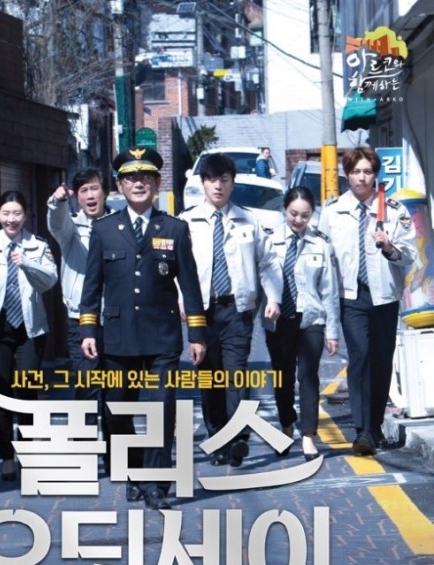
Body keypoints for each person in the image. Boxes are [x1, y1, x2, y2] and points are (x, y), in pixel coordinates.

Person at [80, 146, 206, 509]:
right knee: (116, 411)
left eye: (146, 178)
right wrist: (88, 329)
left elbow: (190, 286)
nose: (139, 184)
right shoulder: (104, 230)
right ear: (120, 186)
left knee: (161, 410)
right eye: (131, 178)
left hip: (162, 337)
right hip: (117, 339)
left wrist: (197, 334)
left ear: (157, 183)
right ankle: (133, 472)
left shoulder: (174, 228)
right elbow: (92, 286)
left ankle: (156, 485)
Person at [179, 152, 282, 466]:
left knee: (236, 373)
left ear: (232, 183)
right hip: (201, 312)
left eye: (224, 180)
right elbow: (176, 268)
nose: (218, 186)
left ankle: (237, 438)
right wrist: (180, 298)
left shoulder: (249, 220)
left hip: (237, 309)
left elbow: (268, 263)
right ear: (203, 183)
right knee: (209, 378)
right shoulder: (186, 222)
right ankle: (218, 439)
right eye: (212, 180)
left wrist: (273, 298)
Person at [318, 147, 418, 455]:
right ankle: (362, 431)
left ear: (375, 175)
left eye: (367, 172)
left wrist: (388, 247)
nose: (361, 178)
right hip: (351, 295)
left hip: (384, 296)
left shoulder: (394, 210)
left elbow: (410, 255)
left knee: (381, 360)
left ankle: (374, 427)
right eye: (355, 172)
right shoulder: (333, 211)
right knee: (359, 356)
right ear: (347, 175)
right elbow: (320, 253)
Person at [0, 190, 58, 480]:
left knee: (27, 390)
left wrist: (26, 263)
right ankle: (6, 456)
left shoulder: (38, 246)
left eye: (17, 213)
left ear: (25, 216)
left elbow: (50, 280)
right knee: (0, 392)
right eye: (6, 213)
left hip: (31, 330)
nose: (11, 219)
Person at [264, 187, 340, 460]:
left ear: (312, 215)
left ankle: (308, 435)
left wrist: (332, 332)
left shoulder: (320, 243)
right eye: (293, 213)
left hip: (312, 318)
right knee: (282, 376)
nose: (298, 220)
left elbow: (329, 291)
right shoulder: (269, 241)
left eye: (305, 215)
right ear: (284, 210)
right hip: (279, 320)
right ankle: (286, 425)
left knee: (308, 376)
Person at [47, 168, 111, 469]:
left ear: (105, 192)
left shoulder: (119, 225)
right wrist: (58, 202)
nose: (89, 195)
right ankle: (84, 451)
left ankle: (116, 452)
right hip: (80, 318)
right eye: (83, 191)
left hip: (115, 317)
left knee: (116, 387)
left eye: (94, 188)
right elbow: (55, 221)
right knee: (87, 384)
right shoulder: (70, 228)